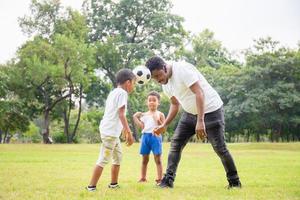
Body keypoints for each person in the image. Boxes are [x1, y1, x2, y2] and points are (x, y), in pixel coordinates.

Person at [145, 56, 241, 189]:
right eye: (154, 78)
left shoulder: (182, 69)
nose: (158, 80)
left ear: (165, 67)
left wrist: (200, 121)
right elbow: (174, 104)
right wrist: (165, 124)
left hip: (211, 110)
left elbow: (199, 93)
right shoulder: (165, 85)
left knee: (220, 148)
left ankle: (235, 182)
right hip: (190, 114)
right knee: (176, 143)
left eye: (158, 75)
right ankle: (168, 181)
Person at [86, 69, 135, 191]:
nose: (133, 86)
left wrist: (122, 129)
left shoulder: (113, 92)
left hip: (111, 132)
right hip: (110, 133)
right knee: (103, 159)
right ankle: (91, 186)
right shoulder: (123, 93)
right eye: (133, 83)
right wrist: (128, 131)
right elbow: (121, 114)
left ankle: (113, 184)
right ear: (128, 82)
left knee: (118, 157)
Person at [133, 91, 165, 185]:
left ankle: (160, 179)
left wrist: (157, 120)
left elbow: (163, 128)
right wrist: (135, 117)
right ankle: (143, 178)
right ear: (147, 102)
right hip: (145, 137)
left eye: (154, 100)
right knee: (144, 159)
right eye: (149, 100)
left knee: (157, 158)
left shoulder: (160, 114)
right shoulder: (144, 115)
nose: (151, 102)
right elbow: (142, 126)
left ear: (158, 102)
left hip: (155, 137)